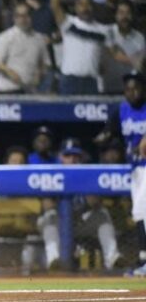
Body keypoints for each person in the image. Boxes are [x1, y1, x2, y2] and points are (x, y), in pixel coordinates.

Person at [36, 138, 124, 272]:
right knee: (49, 217)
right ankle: (54, 261)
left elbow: (95, 203)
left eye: (75, 156)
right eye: (67, 155)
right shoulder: (51, 173)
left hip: (79, 222)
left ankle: (113, 258)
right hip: (59, 224)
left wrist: (84, 183)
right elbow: (47, 205)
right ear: (60, 157)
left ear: (82, 158)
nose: (72, 159)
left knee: (102, 214)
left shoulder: (88, 174)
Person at [96, 71, 146, 276]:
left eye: (136, 88)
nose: (132, 92)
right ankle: (144, 261)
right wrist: (103, 138)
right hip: (135, 168)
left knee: (143, 213)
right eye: (127, 89)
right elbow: (110, 132)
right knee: (141, 215)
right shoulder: (122, 110)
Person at [50, 0, 128, 94]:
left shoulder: (103, 30)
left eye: (88, 4)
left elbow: (115, 54)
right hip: (69, 80)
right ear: (75, 8)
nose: (85, 8)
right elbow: (54, 6)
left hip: (91, 81)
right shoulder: (68, 23)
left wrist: (133, 60)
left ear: (93, 7)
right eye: (81, 4)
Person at [0, 3, 52, 94]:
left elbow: (46, 63)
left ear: (31, 17)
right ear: (14, 18)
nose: (23, 19)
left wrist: (40, 73)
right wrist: (10, 73)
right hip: (8, 89)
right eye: (19, 16)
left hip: (30, 90)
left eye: (26, 15)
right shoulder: (5, 37)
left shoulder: (39, 39)